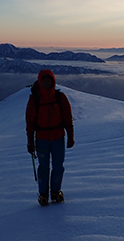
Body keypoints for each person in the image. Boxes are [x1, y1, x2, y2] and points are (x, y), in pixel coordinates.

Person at [26, 69, 74, 206]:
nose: (46, 82)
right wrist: (30, 142)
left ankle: (55, 192)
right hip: (42, 139)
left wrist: (71, 136)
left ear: (53, 81)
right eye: (44, 80)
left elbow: (68, 118)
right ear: (40, 82)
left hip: (58, 137)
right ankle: (43, 195)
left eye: (49, 80)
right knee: (44, 167)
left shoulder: (60, 98)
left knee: (58, 167)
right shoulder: (35, 99)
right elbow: (29, 122)